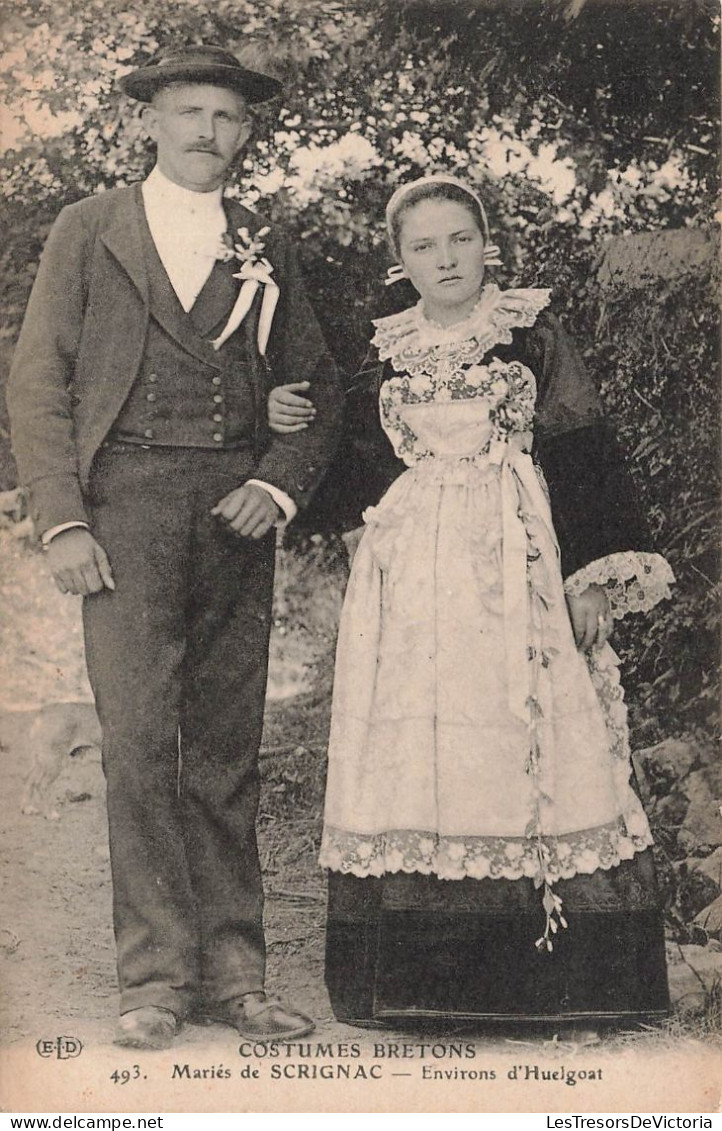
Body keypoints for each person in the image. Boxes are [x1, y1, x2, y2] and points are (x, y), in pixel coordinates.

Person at [268, 174, 674, 1031]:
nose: (444, 259)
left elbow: (580, 442)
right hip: (411, 574)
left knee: (533, 733)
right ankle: (426, 982)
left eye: (458, 240)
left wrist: (592, 574)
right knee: (421, 747)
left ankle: (561, 976)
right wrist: (284, 416)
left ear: (487, 245)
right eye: (423, 246)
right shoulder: (383, 350)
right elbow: (347, 461)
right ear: (400, 262)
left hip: (515, 554)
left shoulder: (529, 333)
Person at [6, 44, 342, 1049]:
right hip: (122, 511)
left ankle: (237, 980)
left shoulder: (264, 241)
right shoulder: (88, 227)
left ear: (246, 132)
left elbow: (316, 388)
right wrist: (62, 519)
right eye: (189, 112)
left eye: (228, 118)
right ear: (149, 121)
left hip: (234, 509)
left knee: (227, 749)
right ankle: (152, 981)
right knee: (141, 746)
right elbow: (38, 380)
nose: (208, 132)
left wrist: (276, 479)